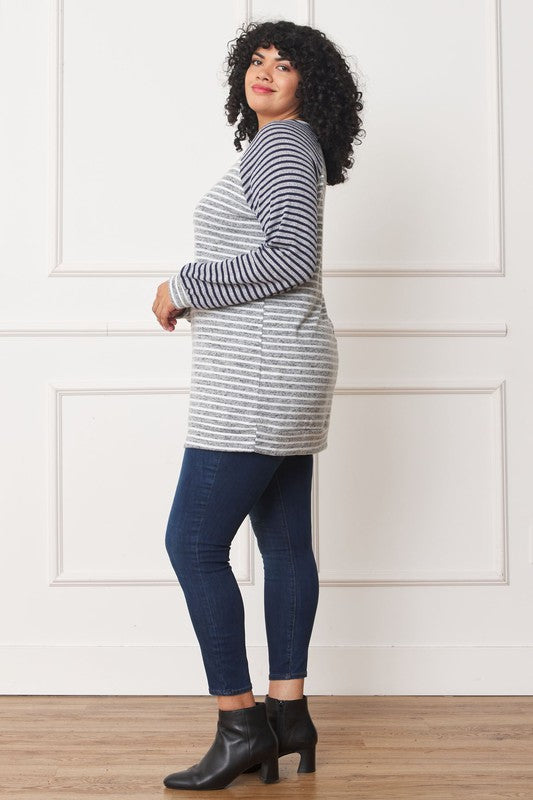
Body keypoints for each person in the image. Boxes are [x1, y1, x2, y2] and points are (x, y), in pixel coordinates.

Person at [151, 18, 364, 791]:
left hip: (261, 374)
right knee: (281, 544)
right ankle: (287, 713)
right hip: (286, 365)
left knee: (193, 544)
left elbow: (288, 258)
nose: (264, 71)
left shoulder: (280, 146)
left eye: (285, 63)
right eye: (255, 60)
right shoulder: (287, 147)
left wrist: (185, 285)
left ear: (311, 83)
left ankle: (239, 727)